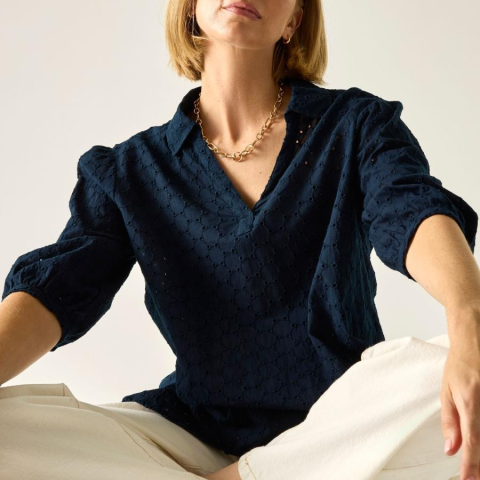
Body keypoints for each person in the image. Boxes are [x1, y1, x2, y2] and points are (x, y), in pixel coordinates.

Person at [1, 1, 479, 479]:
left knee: (450, 367)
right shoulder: (130, 170)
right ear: (190, 7)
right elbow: (57, 289)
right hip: (192, 439)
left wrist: (468, 312)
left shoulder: (355, 125)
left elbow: (409, 210)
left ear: (293, 20)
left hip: (343, 429)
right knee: (12, 424)